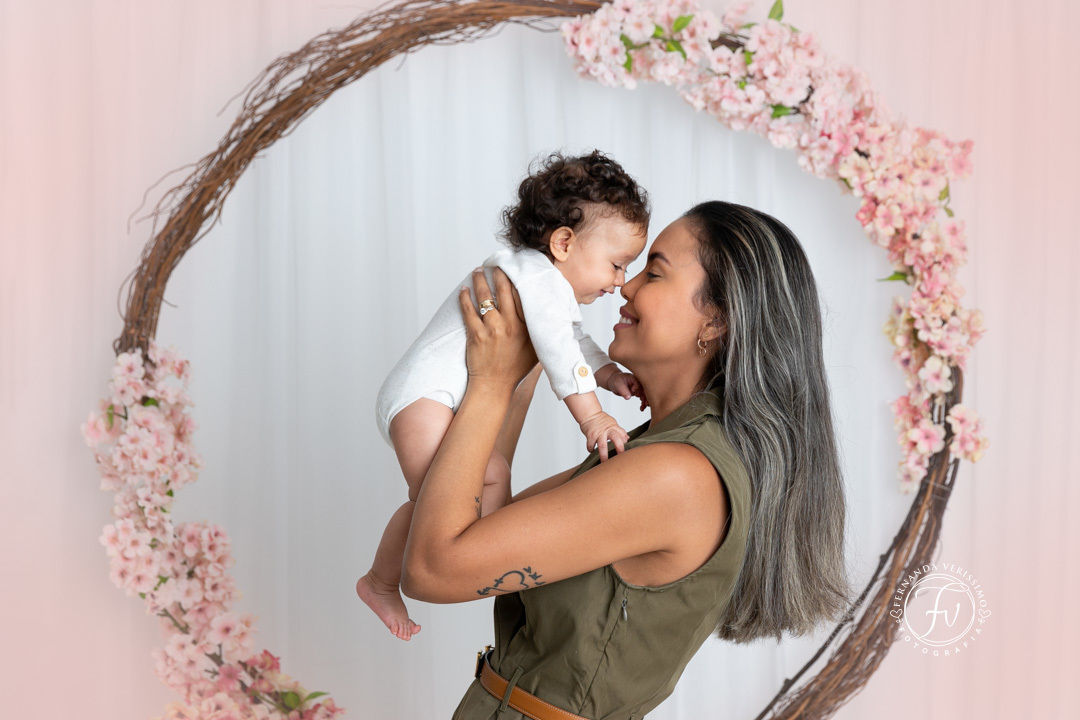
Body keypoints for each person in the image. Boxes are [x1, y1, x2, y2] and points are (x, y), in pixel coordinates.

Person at [401, 200, 853, 720]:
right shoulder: (663, 446)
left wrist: (489, 382)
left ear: (717, 319)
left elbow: (432, 570)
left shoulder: (675, 474)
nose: (625, 286)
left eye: (653, 273)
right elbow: (484, 527)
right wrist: (524, 363)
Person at [357, 150, 652, 640]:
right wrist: (593, 418)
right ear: (563, 242)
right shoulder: (535, 277)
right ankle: (380, 582)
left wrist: (608, 375)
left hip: (440, 400)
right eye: (617, 265)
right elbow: (558, 350)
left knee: (490, 476)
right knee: (435, 503)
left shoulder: (544, 284)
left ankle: (485, 545)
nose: (620, 282)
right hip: (421, 397)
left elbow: (572, 340)